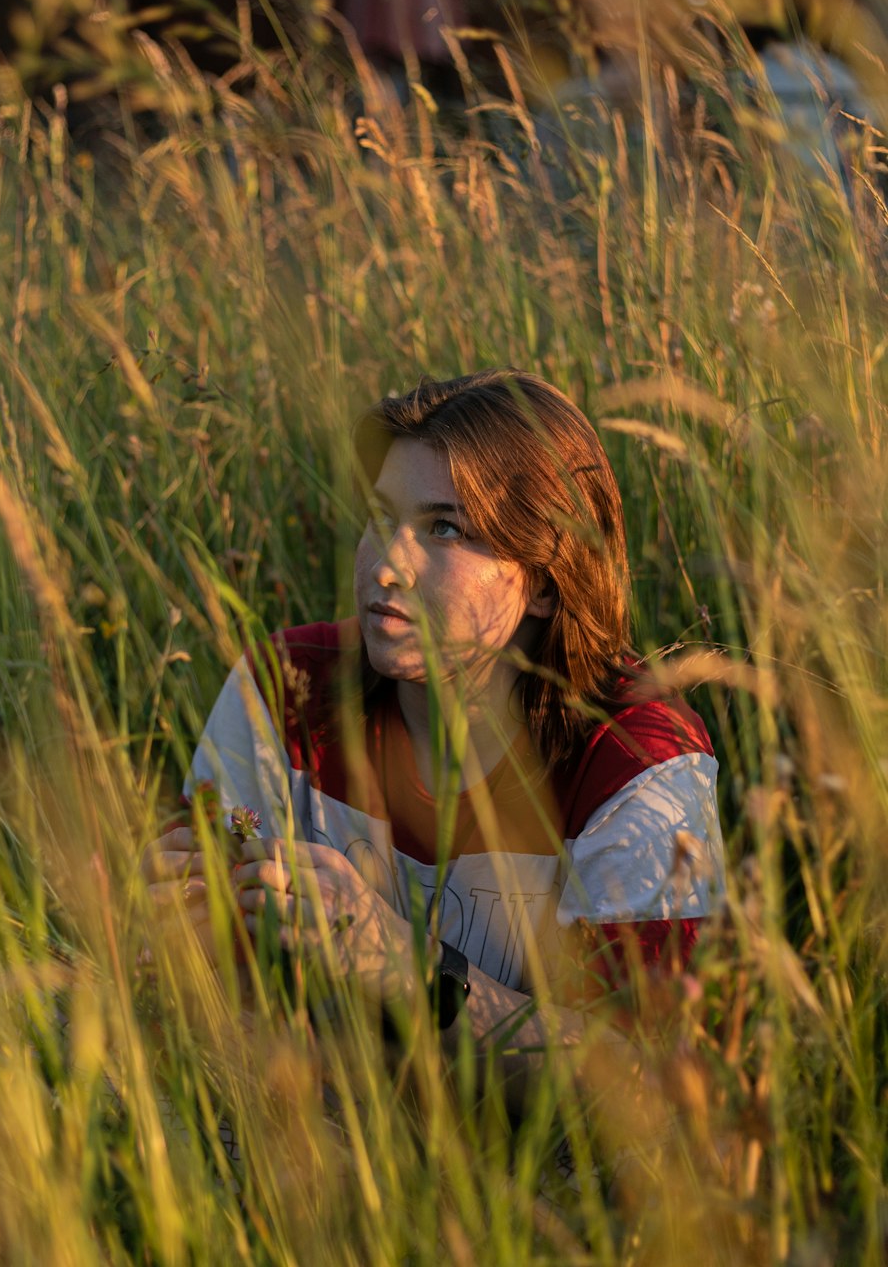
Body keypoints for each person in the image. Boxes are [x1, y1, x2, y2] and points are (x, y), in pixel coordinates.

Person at [143, 369, 725, 1107]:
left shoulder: (637, 760)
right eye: (381, 517)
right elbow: (212, 981)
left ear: (546, 580)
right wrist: (169, 927)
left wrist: (405, 967)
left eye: (444, 529)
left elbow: (644, 1083)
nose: (387, 565)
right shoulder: (285, 688)